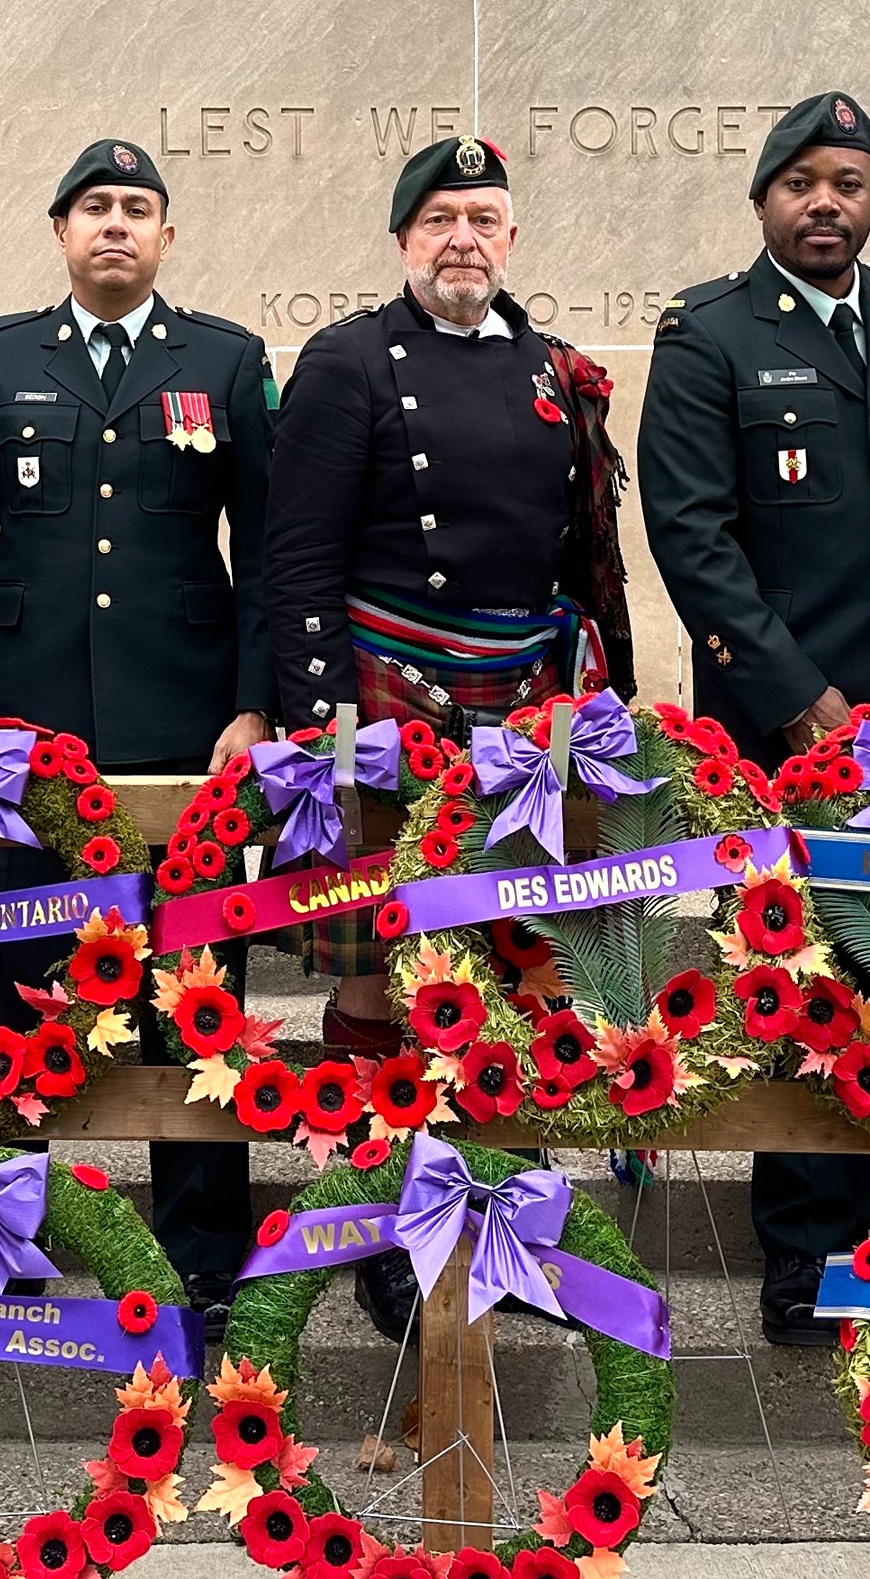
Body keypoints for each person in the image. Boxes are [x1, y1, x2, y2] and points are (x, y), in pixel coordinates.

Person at [640, 91, 870, 1345]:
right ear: (762, 200)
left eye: (846, 182)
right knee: (798, 981)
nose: (826, 203)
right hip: (789, 727)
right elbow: (694, 540)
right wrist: (800, 699)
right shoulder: (707, 335)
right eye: (801, 183)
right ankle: (801, 1251)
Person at [262, 131, 634, 1336]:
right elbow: (298, 555)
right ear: (403, 241)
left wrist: (606, 698)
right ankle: (380, 1226)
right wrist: (319, 716)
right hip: (387, 697)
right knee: (384, 965)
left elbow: (590, 561)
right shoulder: (347, 362)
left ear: (511, 238)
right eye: (438, 221)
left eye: (482, 217)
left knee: (510, 957)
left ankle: (506, 1219)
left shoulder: (552, 369)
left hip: (522, 701)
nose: (461, 239)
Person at [0, 137, 273, 1330]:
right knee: (9, 965)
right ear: (60, 232)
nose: (114, 225)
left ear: (166, 236)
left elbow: (266, 554)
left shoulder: (223, 361)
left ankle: (204, 1252)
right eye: (93, 208)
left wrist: (257, 704)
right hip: (20, 717)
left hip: (184, 712)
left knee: (191, 975)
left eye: (137, 208)